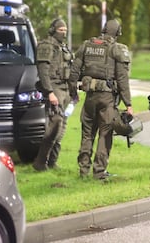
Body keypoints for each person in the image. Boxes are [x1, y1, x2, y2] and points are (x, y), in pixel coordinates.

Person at [68, 19, 133, 180]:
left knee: (87, 133)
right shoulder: (116, 49)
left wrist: (72, 93)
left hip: (89, 97)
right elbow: (123, 79)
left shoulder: (87, 45)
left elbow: (74, 71)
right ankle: (99, 172)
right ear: (117, 33)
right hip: (107, 99)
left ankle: (83, 171)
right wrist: (128, 104)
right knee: (105, 133)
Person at [32, 18, 73, 171]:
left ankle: (52, 161)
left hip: (65, 90)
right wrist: (49, 92)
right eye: (60, 30)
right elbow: (43, 71)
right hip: (54, 89)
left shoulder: (64, 47)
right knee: (55, 125)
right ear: (53, 30)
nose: (64, 32)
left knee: (62, 128)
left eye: (65, 30)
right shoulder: (46, 46)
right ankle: (40, 162)